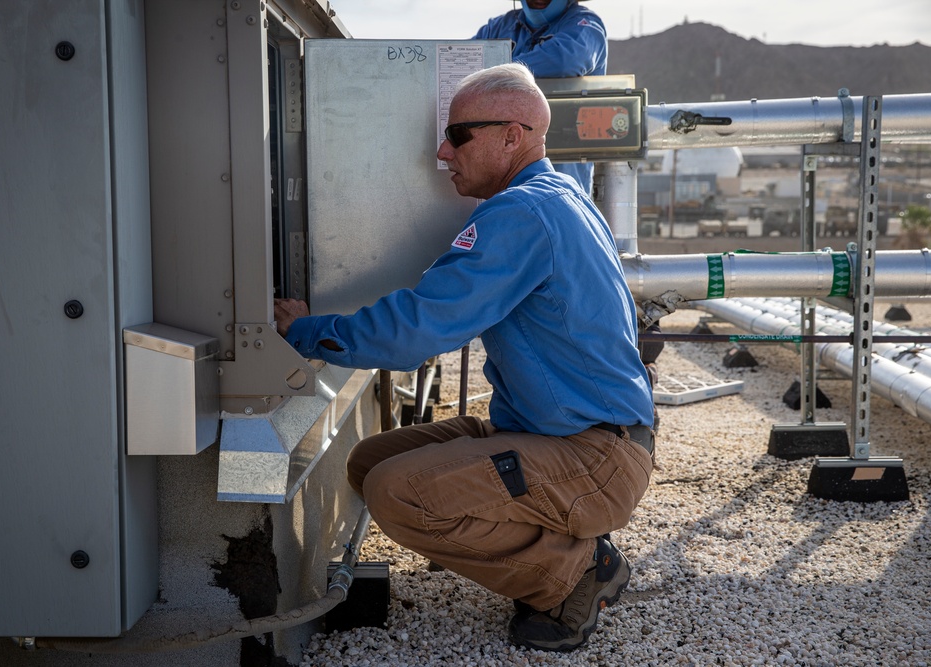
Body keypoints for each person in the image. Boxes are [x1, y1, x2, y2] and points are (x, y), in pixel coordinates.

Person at [273, 63, 655, 653]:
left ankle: (575, 574)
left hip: (591, 454)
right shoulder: (560, 198)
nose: (443, 151)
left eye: (459, 135)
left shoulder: (521, 213)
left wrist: (306, 331)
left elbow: (422, 327)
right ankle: (566, 542)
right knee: (369, 462)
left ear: (513, 134)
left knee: (397, 493)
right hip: (563, 435)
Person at [474, 0, 608, 194]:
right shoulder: (497, 27)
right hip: (500, 178)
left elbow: (566, 60)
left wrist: (494, 70)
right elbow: (463, 61)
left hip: (563, 178)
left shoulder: (586, 24)